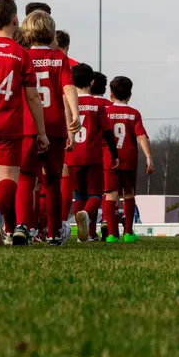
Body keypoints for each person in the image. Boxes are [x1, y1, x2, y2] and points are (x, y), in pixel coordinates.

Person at [0, 0, 47, 246]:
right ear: (15, 19)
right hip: (8, 123)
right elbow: (33, 98)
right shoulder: (21, 54)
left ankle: (5, 229)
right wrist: (41, 132)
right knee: (9, 178)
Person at [19, 9, 80, 243]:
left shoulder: (22, 55)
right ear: (51, 33)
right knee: (53, 179)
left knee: (26, 176)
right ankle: (54, 233)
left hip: (27, 123)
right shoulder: (59, 58)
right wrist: (75, 113)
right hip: (54, 123)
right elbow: (68, 88)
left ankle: (22, 227)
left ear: (27, 33)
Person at [103, 76, 153, 242]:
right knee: (129, 194)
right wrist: (149, 157)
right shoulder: (133, 114)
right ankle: (128, 233)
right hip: (128, 160)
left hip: (109, 160)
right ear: (130, 95)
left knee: (110, 194)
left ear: (111, 95)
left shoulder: (105, 112)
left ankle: (111, 235)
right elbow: (142, 136)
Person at [64, 64, 110, 240]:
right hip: (93, 155)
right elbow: (107, 132)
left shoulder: (67, 102)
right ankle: (89, 227)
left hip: (72, 155)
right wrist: (113, 154)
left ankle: (83, 234)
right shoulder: (98, 104)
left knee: (78, 195)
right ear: (91, 82)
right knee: (96, 195)